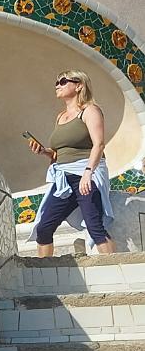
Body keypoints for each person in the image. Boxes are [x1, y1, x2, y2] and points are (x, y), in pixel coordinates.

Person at [27, 69, 115, 257]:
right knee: (44, 227)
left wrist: (88, 172)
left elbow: (99, 144)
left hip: (86, 174)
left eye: (63, 81)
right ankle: (46, 271)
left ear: (79, 85)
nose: (57, 85)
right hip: (64, 179)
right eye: (56, 82)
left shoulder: (90, 110)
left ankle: (117, 266)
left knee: (95, 226)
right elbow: (58, 153)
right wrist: (43, 151)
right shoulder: (60, 117)